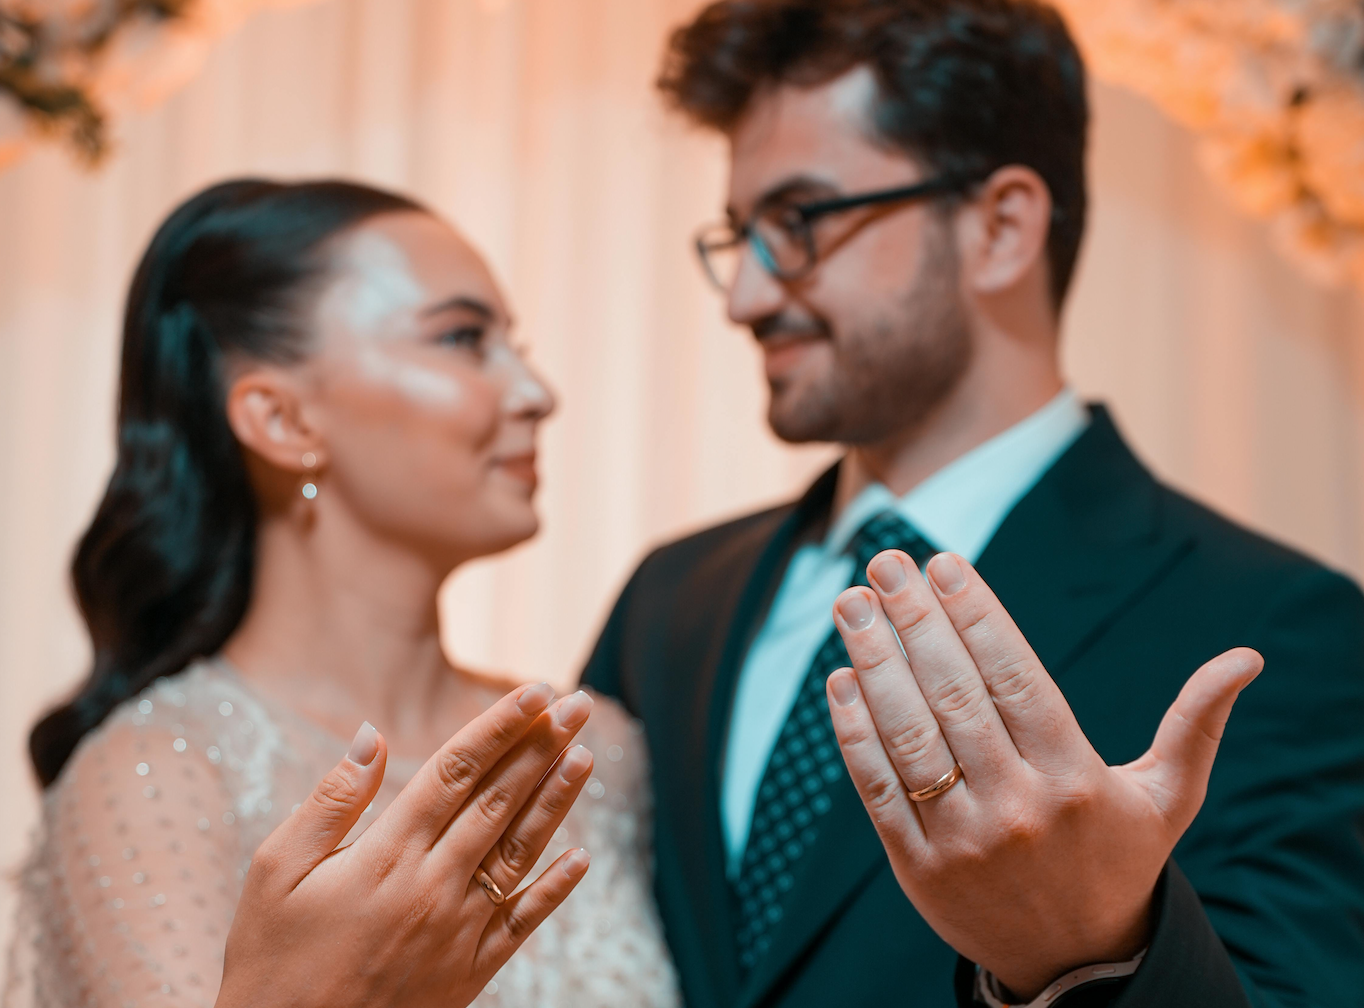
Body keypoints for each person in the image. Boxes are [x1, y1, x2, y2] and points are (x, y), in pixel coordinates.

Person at [581, 1, 1364, 1006]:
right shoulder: (670, 599)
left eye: (799, 222)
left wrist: (1091, 947)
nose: (744, 296)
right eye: (739, 235)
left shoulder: (1276, 624)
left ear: (999, 229)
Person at [8, 179, 681, 1008]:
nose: (536, 393)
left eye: (514, 343)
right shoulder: (158, 775)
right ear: (284, 421)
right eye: (464, 338)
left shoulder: (602, 753)